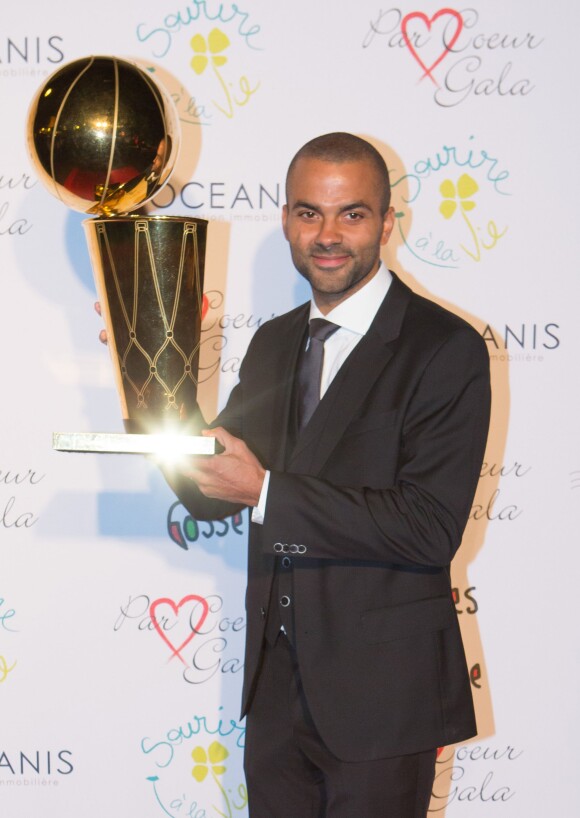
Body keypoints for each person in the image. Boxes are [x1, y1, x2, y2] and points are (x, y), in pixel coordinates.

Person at [164, 132, 491, 818]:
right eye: (310, 213)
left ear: (388, 223)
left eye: (353, 214)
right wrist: (152, 375)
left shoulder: (444, 347)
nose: (329, 235)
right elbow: (208, 489)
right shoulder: (278, 340)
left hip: (382, 701)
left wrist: (268, 492)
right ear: (285, 218)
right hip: (276, 697)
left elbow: (429, 529)